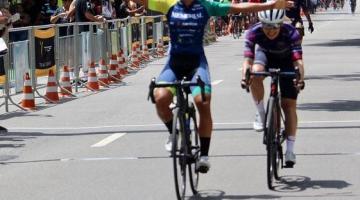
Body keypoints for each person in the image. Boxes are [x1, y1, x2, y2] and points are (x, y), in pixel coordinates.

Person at [138, 0, 293, 173]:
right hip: (173, 64)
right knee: (160, 98)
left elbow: (238, 7)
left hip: (197, 64)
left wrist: (270, 5)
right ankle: (178, 133)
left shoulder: (206, 5)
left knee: (202, 102)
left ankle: (204, 155)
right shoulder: (167, 3)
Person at [241, 9, 304, 167]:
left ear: (281, 24)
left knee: (288, 105)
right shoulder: (253, 32)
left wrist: (300, 79)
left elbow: (298, 62)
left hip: (287, 60)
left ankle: (290, 150)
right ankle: (261, 113)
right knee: (255, 73)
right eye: (267, 27)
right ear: (261, 24)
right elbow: (247, 60)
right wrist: (245, 77)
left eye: (275, 27)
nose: (271, 31)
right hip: (265, 56)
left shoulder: (291, 33)